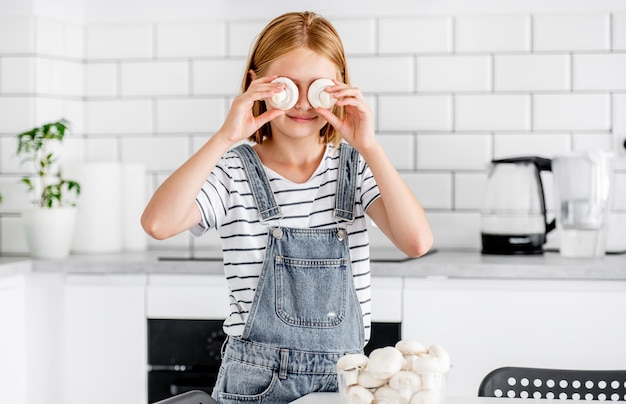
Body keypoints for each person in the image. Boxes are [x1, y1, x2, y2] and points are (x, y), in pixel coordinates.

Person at [141, 11, 433, 404]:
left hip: (345, 382)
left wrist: (370, 147)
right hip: (254, 383)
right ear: (256, 85)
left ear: (340, 89)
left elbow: (416, 242)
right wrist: (226, 135)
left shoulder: (356, 168)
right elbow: (158, 223)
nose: (301, 102)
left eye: (317, 88)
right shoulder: (233, 171)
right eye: (286, 86)